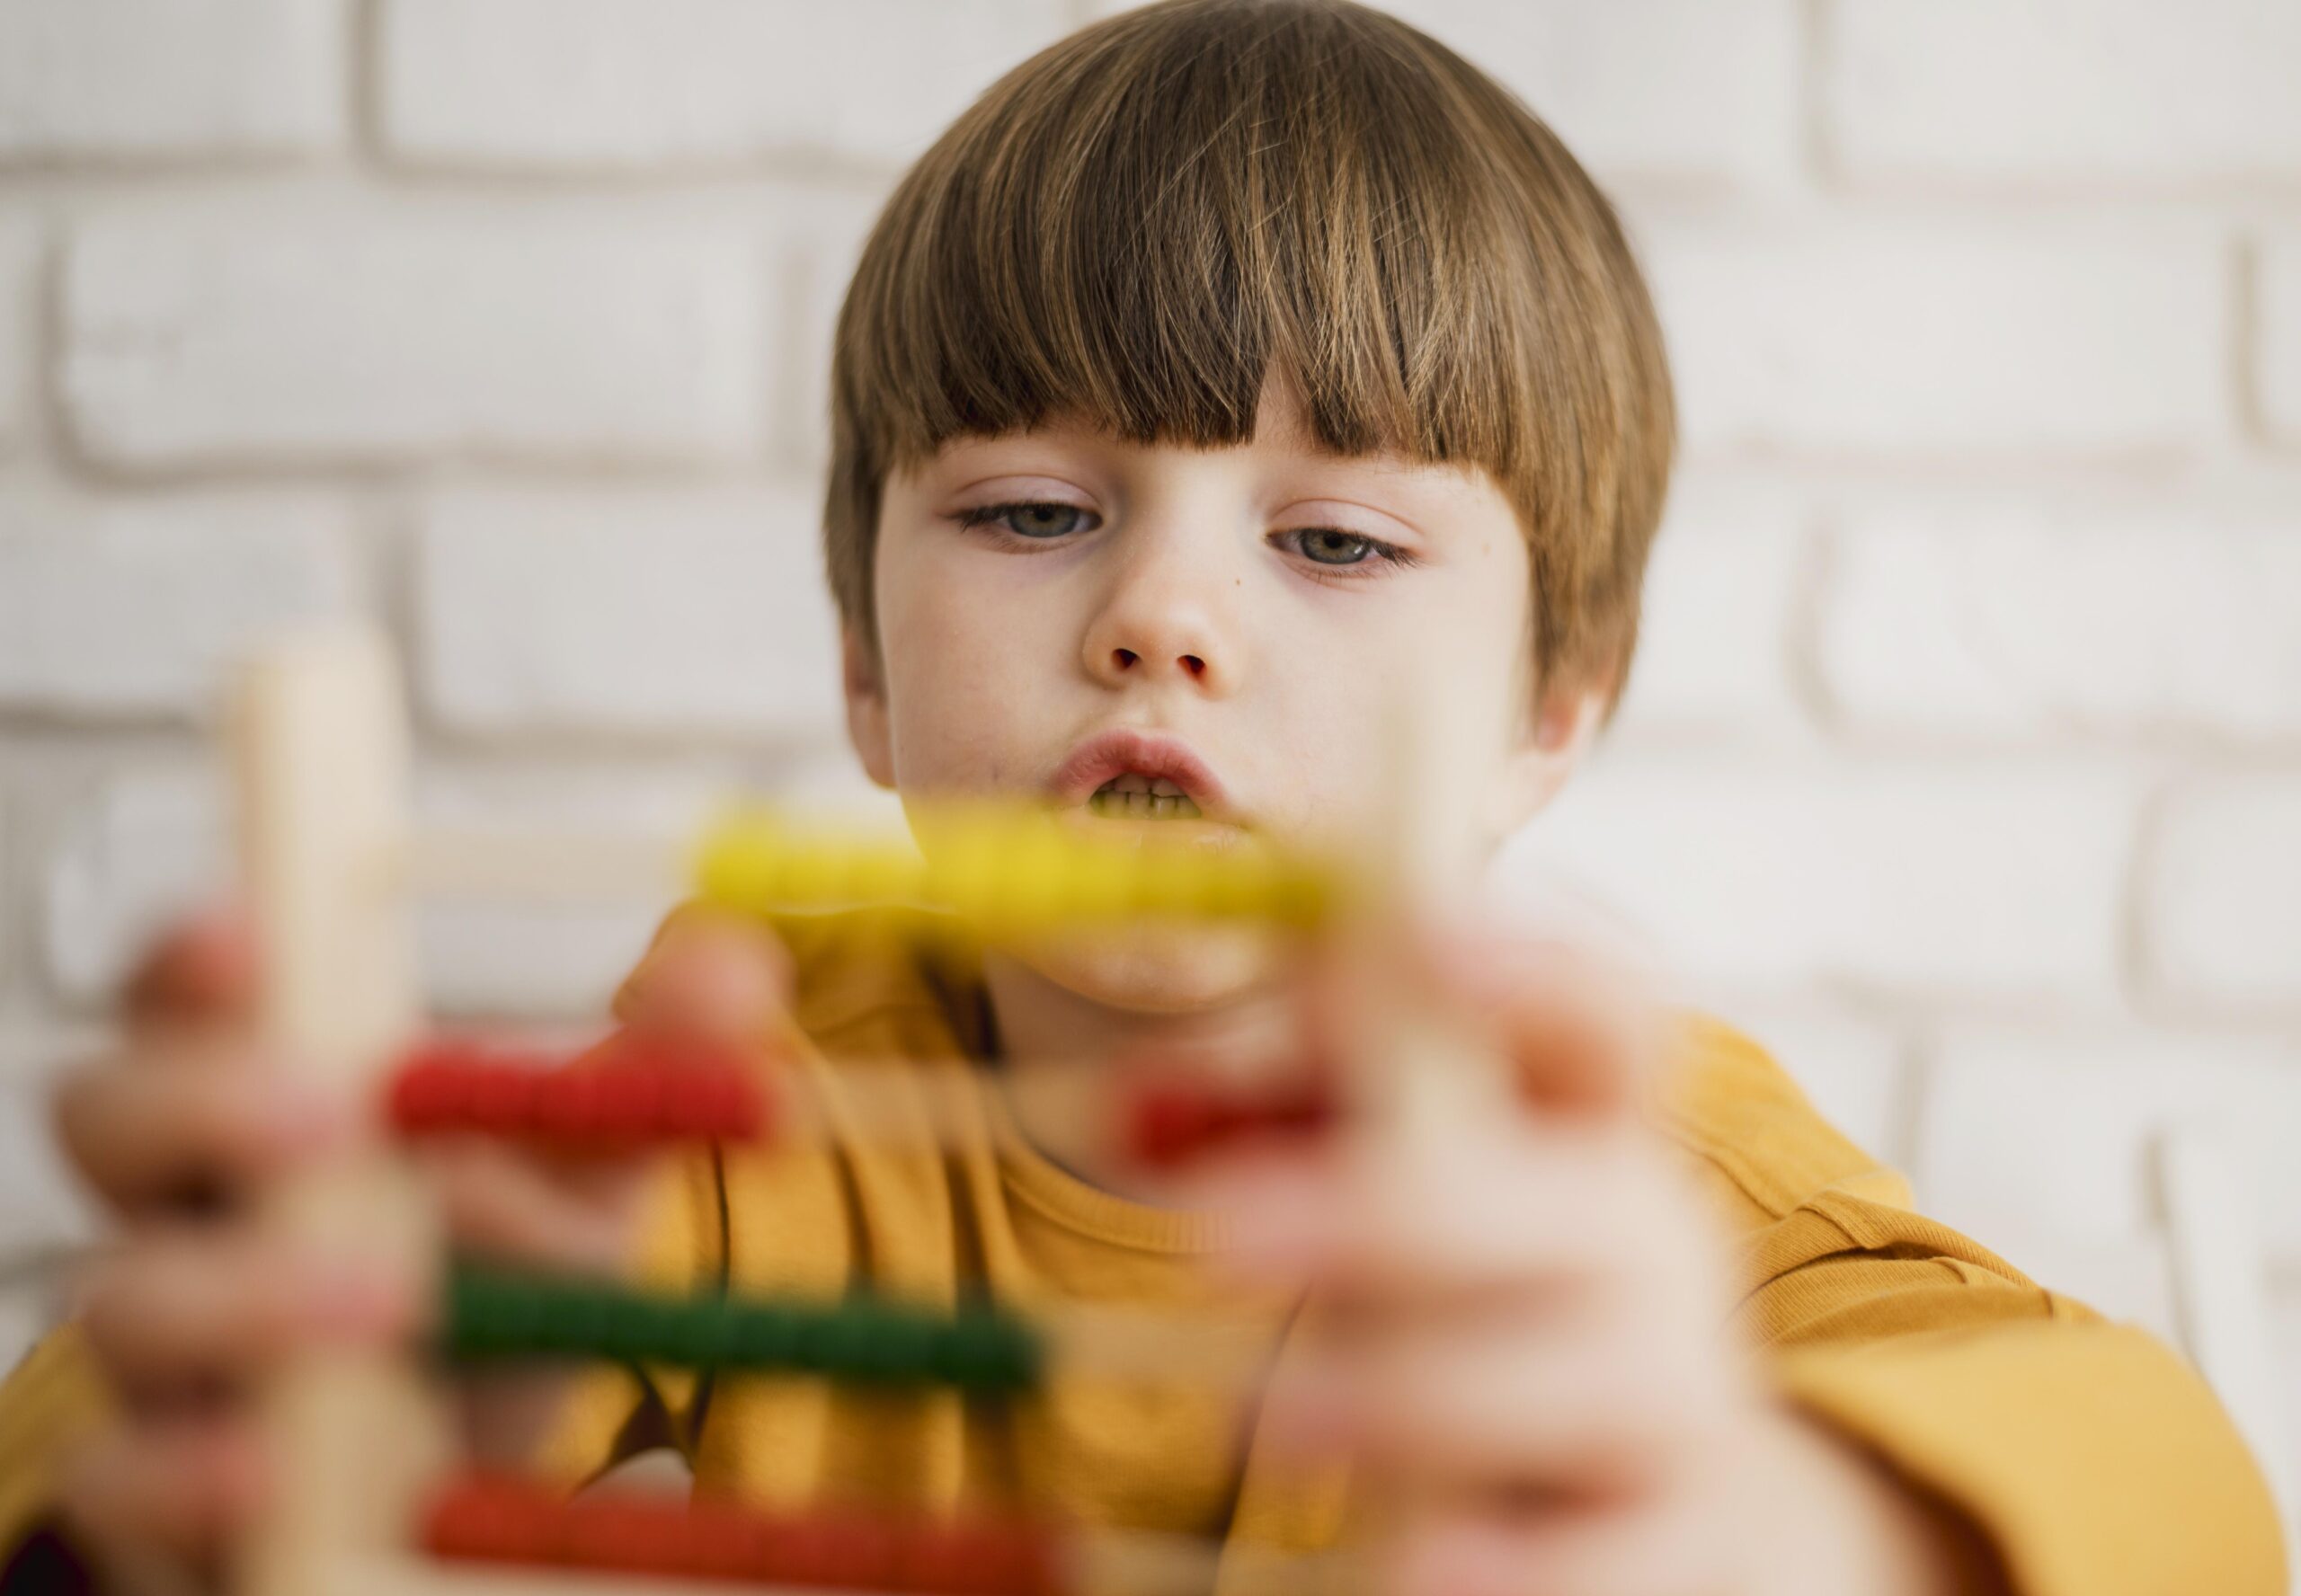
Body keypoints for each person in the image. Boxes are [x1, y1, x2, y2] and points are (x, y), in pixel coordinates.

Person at [4, 3, 2284, 1592]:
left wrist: (1783, 1537)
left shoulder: (1628, 1191)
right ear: (860, 677)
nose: (1159, 617)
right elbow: (114, 1470)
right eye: (1023, 514)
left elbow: (2177, 1486)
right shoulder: (737, 1106)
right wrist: (311, 1430)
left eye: (1331, 541)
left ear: (1546, 717)